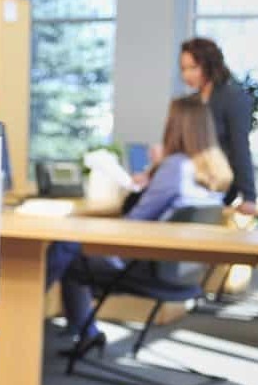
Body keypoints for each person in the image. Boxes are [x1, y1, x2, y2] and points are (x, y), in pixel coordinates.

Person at [46, 96, 233, 357]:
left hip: (146, 268)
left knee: (66, 247)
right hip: (183, 272)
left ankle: (24, 309)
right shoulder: (213, 171)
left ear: (177, 126)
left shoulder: (176, 166)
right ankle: (85, 332)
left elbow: (136, 220)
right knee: (72, 248)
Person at [180, 37, 256, 216]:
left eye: (193, 68)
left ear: (209, 64)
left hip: (217, 186)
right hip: (189, 183)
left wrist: (249, 197)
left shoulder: (233, 98)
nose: (186, 75)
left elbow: (240, 149)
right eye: (183, 69)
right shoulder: (192, 101)